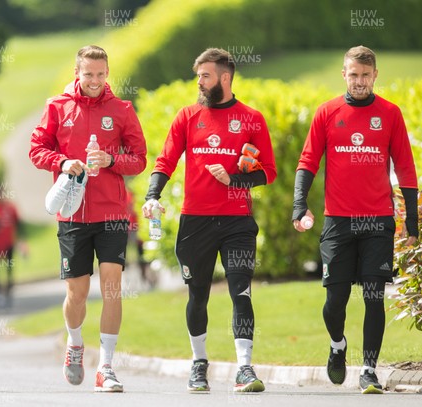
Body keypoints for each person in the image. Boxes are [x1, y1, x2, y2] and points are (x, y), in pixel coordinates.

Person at [142, 48, 276, 393]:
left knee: (240, 291)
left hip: (237, 222)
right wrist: (151, 196)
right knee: (197, 295)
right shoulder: (187, 116)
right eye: (198, 75)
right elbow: (164, 162)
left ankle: (245, 368)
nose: (199, 82)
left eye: (205, 75)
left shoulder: (251, 119)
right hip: (195, 223)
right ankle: (199, 363)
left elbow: (268, 173)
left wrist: (234, 179)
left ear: (225, 78)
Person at [292, 45, 418, 395]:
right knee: (335, 301)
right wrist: (299, 205)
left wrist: (411, 220)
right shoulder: (327, 112)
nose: (359, 81)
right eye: (353, 75)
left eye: (365, 75)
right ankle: (337, 344)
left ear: (375, 75)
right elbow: (307, 162)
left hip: (378, 220)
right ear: (344, 74)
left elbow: (405, 168)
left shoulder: (390, 114)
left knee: (374, 295)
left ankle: (369, 369)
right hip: (338, 222)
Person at [30, 45, 147, 392]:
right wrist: (63, 162)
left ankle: (107, 367)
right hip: (72, 213)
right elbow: (36, 150)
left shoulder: (122, 110)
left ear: (107, 72)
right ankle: (75, 343)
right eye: (88, 74)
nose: (95, 81)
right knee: (77, 293)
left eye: (100, 74)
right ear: (77, 73)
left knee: (112, 287)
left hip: (112, 213)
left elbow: (139, 158)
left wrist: (111, 161)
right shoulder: (57, 107)